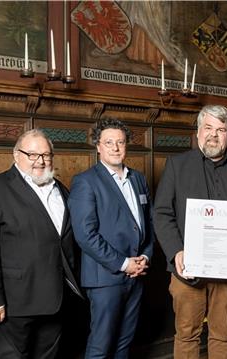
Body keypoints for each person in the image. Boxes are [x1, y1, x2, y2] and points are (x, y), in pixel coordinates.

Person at [154, 104, 227, 359]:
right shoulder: (177, 165)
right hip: (188, 268)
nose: (213, 135)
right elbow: (161, 213)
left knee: (223, 333)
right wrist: (176, 251)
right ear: (198, 132)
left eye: (220, 129)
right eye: (208, 128)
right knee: (187, 334)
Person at [0, 129, 83, 358]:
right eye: (32, 154)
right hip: (14, 304)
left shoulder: (61, 190)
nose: (40, 161)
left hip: (57, 301)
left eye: (46, 155)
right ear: (16, 155)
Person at [68, 118, 154, 358]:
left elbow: (149, 223)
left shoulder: (138, 179)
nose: (115, 148)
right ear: (98, 147)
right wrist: (124, 263)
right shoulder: (85, 181)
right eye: (109, 143)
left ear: (126, 146)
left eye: (120, 142)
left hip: (137, 274)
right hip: (105, 278)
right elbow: (85, 235)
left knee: (124, 344)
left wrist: (145, 257)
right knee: (100, 346)